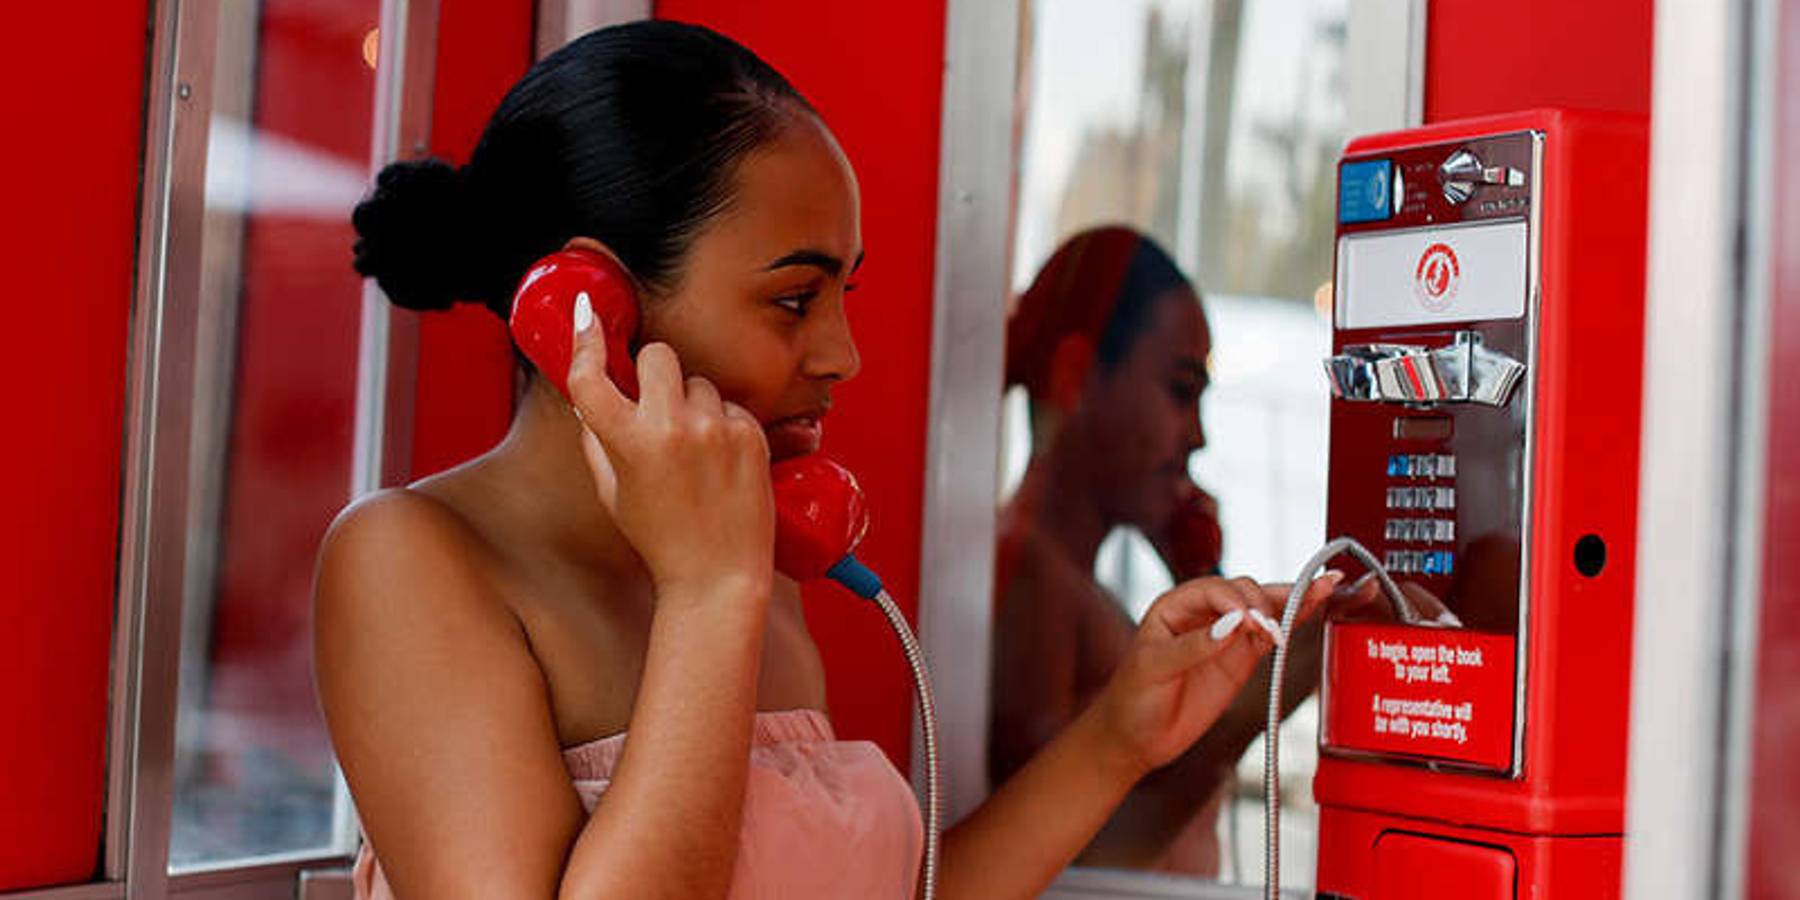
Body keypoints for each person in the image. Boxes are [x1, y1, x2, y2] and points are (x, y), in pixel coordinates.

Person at [316, 22, 1338, 899]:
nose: (843, 355)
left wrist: (1122, 734)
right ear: (592, 311)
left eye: (843, 296)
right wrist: (709, 597)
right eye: (795, 300)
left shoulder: (754, 576)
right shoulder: (411, 564)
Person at [992, 227, 1354, 875]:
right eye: (1181, 392)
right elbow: (1070, 854)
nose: (1198, 436)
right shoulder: (1031, 574)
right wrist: (1289, 661)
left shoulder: (1069, 579)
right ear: (1075, 375)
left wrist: (1199, 576)